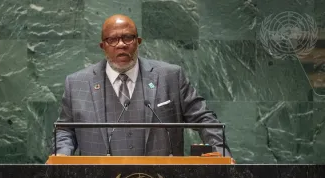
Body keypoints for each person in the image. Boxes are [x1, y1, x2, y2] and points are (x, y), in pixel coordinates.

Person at [54, 14, 232, 157]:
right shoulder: (77, 83)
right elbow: (65, 131)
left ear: (138, 42)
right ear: (103, 46)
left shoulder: (170, 76)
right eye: (113, 40)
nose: (121, 44)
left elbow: (203, 118)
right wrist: (61, 155)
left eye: (128, 38)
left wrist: (220, 150)